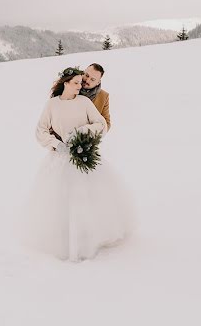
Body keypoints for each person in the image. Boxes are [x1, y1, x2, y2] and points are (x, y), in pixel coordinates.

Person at [22, 67, 133, 261]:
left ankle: (90, 234)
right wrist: (57, 145)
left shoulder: (84, 102)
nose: (80, 86)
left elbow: (101, 124)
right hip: (60, 159)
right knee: (59, 200)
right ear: (66, 83)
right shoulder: (51, 105)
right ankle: (62, 237)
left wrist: (83, 132)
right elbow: (40, 131)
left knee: (88, 199)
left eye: (82, 83)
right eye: (76, 83)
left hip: (83, 156)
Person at [80, 63, 110, 130]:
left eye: (92, 79)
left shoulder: (104, 96)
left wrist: (90, 134)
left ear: (98, 82)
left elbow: (106, 123)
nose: (87, 80)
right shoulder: (70, 87)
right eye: (87, 75)